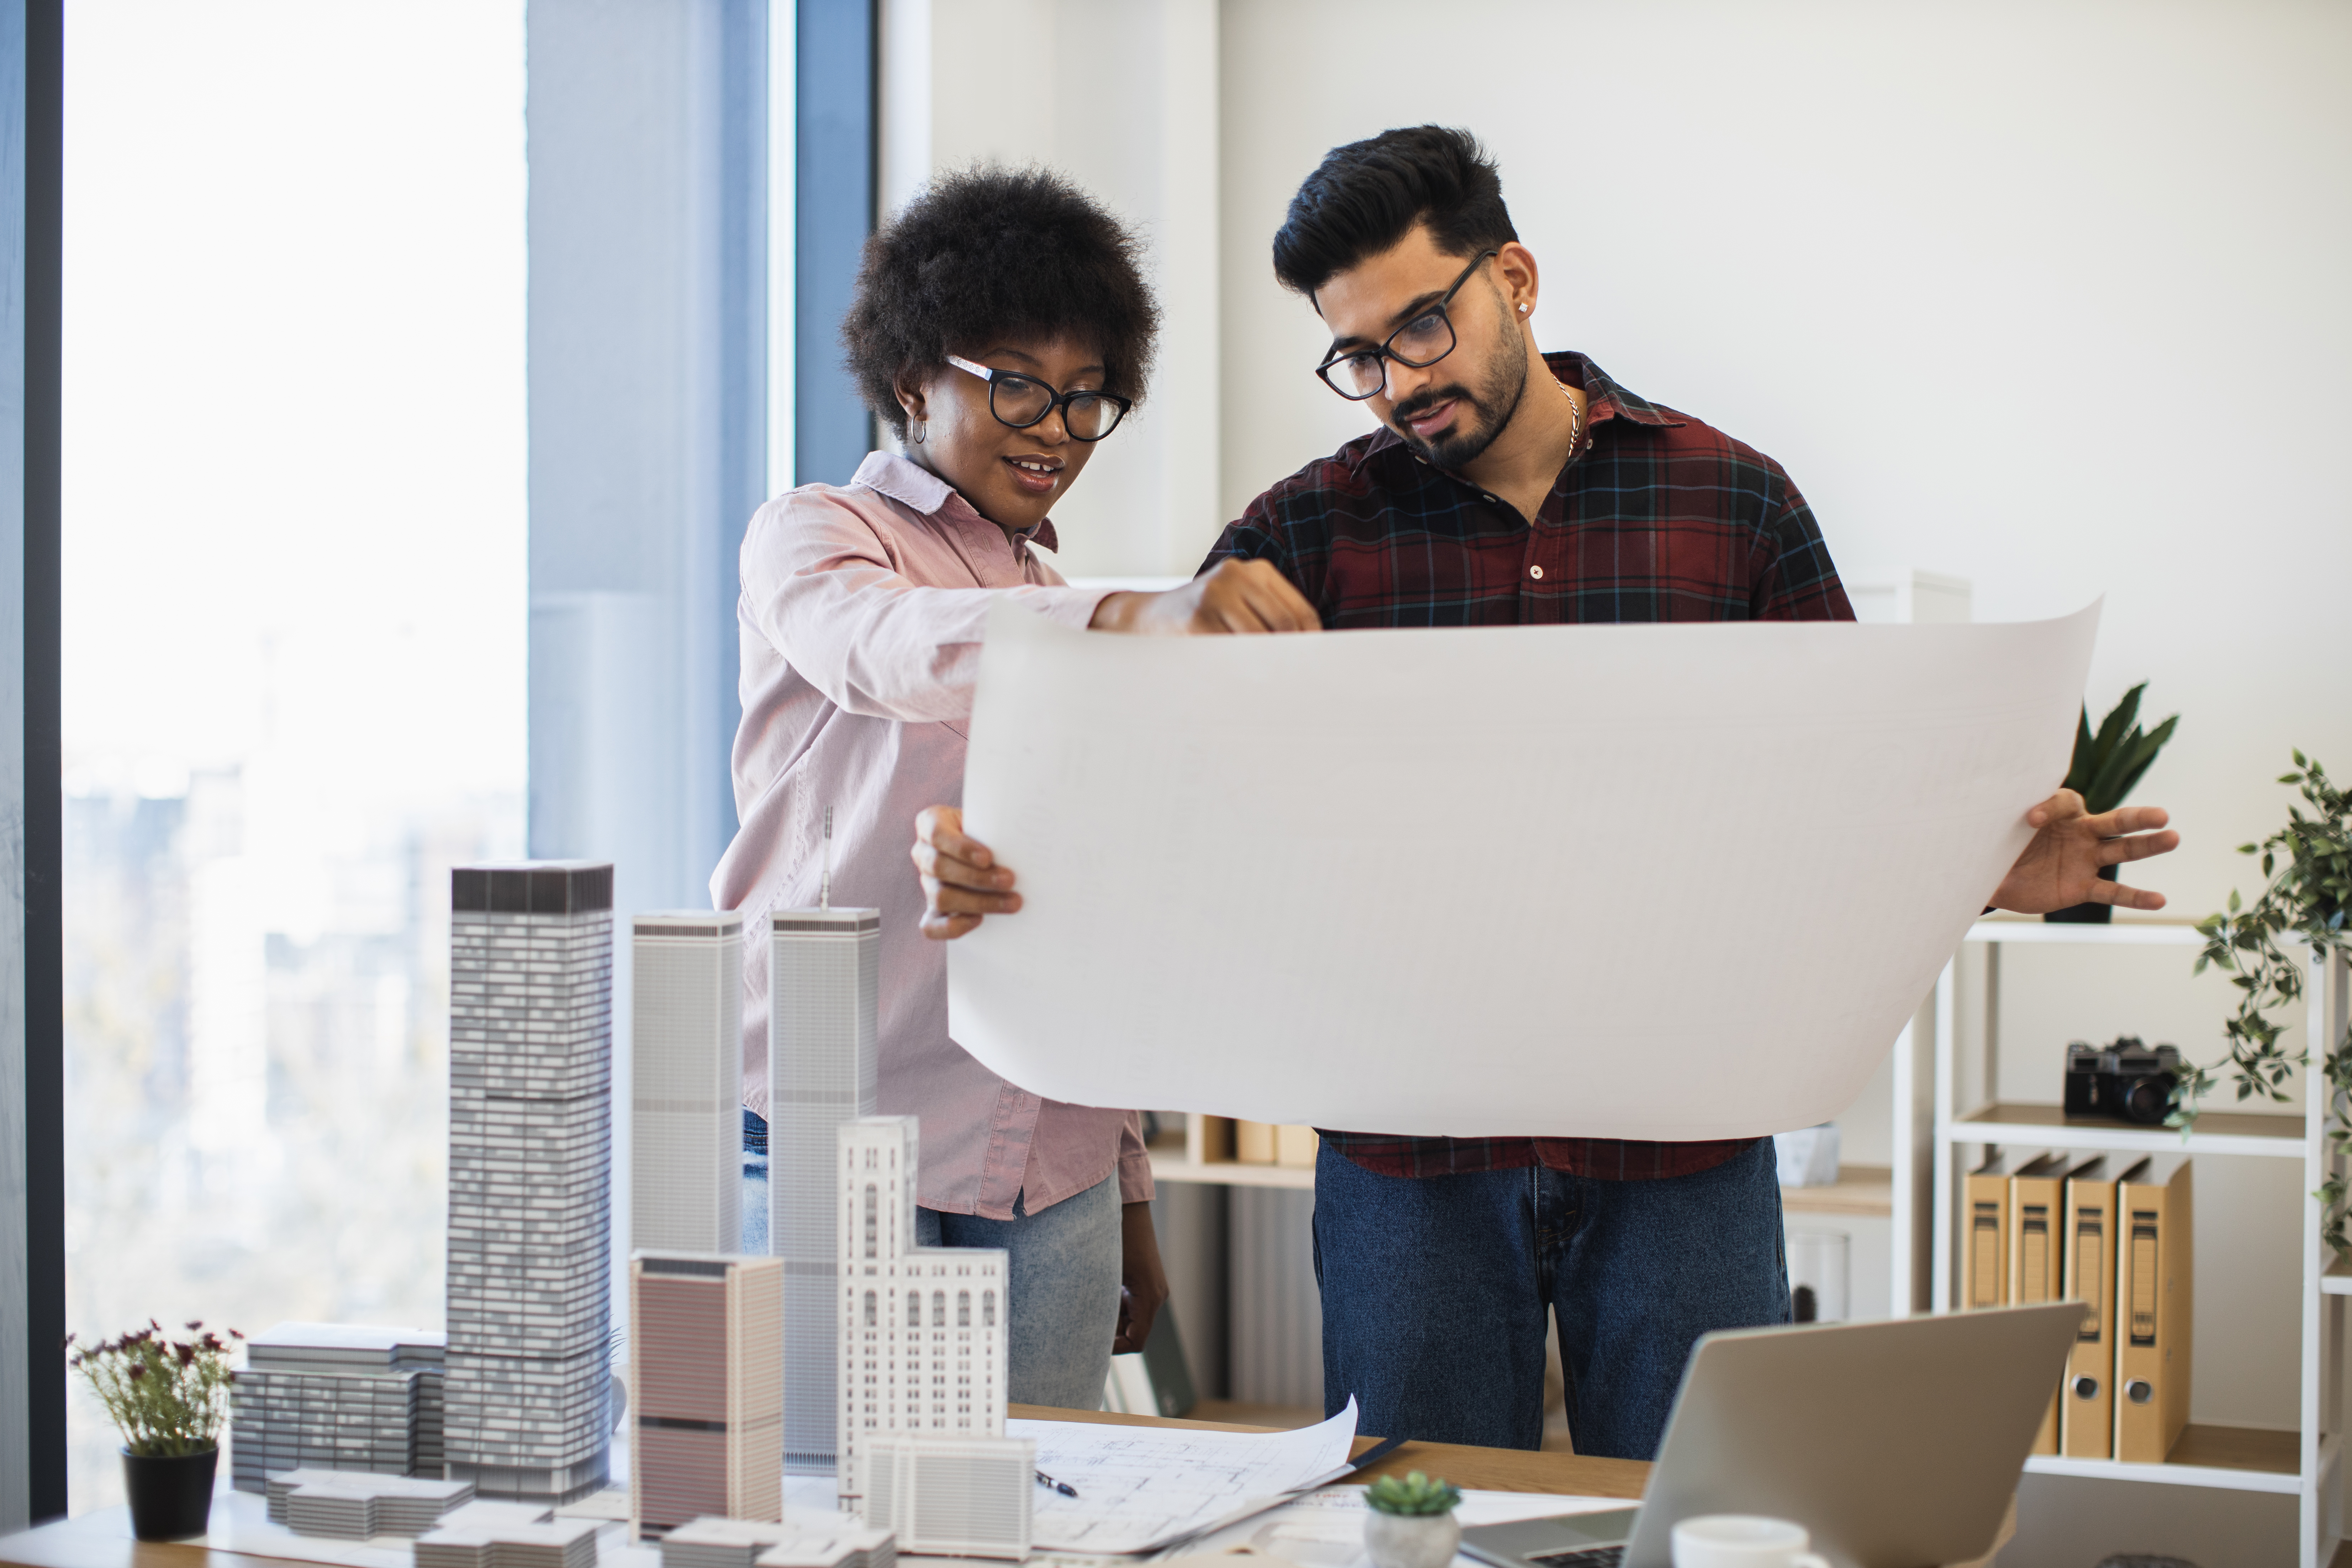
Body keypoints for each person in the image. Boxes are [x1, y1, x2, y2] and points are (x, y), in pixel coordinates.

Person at [911, 127, 2181, 1453]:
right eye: (1355, 357)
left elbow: (1838, 799)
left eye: (1419, 330)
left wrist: (1989, 866)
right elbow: (1146, 792)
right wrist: (999, 853)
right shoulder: (1303, 535)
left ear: (1512, 279)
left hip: (1684, 1153)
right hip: (1408, 1170)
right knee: (1419, 1531)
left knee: (1699, 1527)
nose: (1395, 384)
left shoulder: (1733, 503)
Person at [711, 166, 1310, 1408]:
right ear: (909, 378)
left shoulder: (1070, 605)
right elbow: (889, 650)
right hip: (836, 1132)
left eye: (1089, 400)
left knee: (1047, 1505)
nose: (1054, 428)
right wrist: (1141, 613)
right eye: (1020, 385)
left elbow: (1096, 916)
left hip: (1051, 1159)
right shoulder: (815, 535)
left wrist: (1132, 1187)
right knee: (833, 1507)